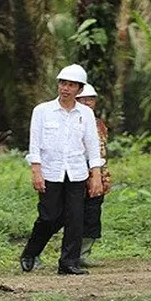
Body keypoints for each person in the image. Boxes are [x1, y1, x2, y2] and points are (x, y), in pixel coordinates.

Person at [20, 64, 104, 275]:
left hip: (76, 172)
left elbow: (93, 147)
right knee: (49, 216)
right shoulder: (42, 111)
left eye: (71, 85)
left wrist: (96, 176)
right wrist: (36, 171)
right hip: (50, 172)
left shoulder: (85, 114)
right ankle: (30, 252)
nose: (66, 88)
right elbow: (35, 143)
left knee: (76, 218)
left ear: (79, 89)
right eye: (63, 84)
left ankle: (68, 262)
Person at [75, 83, 111, 267]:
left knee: (92, 214)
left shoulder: (99, 124)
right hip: (76, 175)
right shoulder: (72, 121)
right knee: (65, 214)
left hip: (98, 176)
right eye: (82, 99)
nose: (87, 102)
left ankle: (83, 253)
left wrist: (102, 175)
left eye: (91, 99)